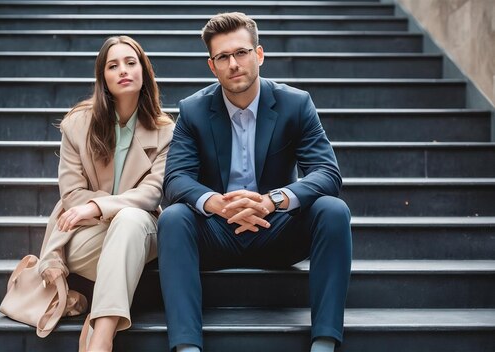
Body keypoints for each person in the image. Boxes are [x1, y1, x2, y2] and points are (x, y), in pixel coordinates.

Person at [157, 12, 352, 352]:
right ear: (212, 66)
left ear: (258, 54)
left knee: (333, 211)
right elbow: (175, 179)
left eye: (241, 53)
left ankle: (324, 341)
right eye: (223, 57)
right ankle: (187, 346)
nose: (233, 63)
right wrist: (217, 203)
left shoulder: (295, 104)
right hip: (216, 231)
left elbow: (327, 172)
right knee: (173, 217)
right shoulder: (193, 110)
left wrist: (271, 201)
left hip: (276, 229)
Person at [38, 35, 174, 352]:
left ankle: (101, 337)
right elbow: (72, 195)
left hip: (142, 230)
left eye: (131, 62)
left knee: (128, 221)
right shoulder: (78, 125)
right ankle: (100, 321)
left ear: (144, 71)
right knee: (121, 229)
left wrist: (97, 204)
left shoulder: (166, 130)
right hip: (86, 233)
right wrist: (98, 210)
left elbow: (151, 194)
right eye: (113, 66)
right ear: (103, 77)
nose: (123, 70)